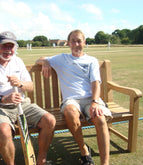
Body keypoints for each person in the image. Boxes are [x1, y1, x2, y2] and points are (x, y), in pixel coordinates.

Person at [0, 31, 56, 165]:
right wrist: (3, 98)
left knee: (50, 120)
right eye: (4, 46)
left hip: (23, 105)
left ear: (15, 47)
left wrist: (20, 84)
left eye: (11, 46)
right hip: (0, 107)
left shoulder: (17, 61)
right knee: (3, 131)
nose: (8, 50)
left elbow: (30, 87)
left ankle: (41, 160)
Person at [36, 29, 112, 165]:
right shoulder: (61, 59)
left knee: (100, 119)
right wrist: (46, 62)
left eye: (79, 41)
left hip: (90, 99)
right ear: (68, 43)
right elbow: (39, 59)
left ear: (84, 43)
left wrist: (95, 102)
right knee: (70, 112)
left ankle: (104, 163)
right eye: (73, 41)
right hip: (71, 101)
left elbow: (96, 83)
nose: (76, 44)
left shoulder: (91, 61)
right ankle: (84, 150)